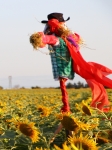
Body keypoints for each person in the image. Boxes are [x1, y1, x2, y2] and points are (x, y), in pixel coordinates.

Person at [29, 13, 112, 142]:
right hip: (65, 71)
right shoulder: (68, 39)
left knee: (66, 105)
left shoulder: (60, 41)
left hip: (63, 72)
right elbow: (74, 38)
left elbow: (49, 40)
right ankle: (67, 132)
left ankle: (66, 135)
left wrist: (40, 38)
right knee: (66, 102)